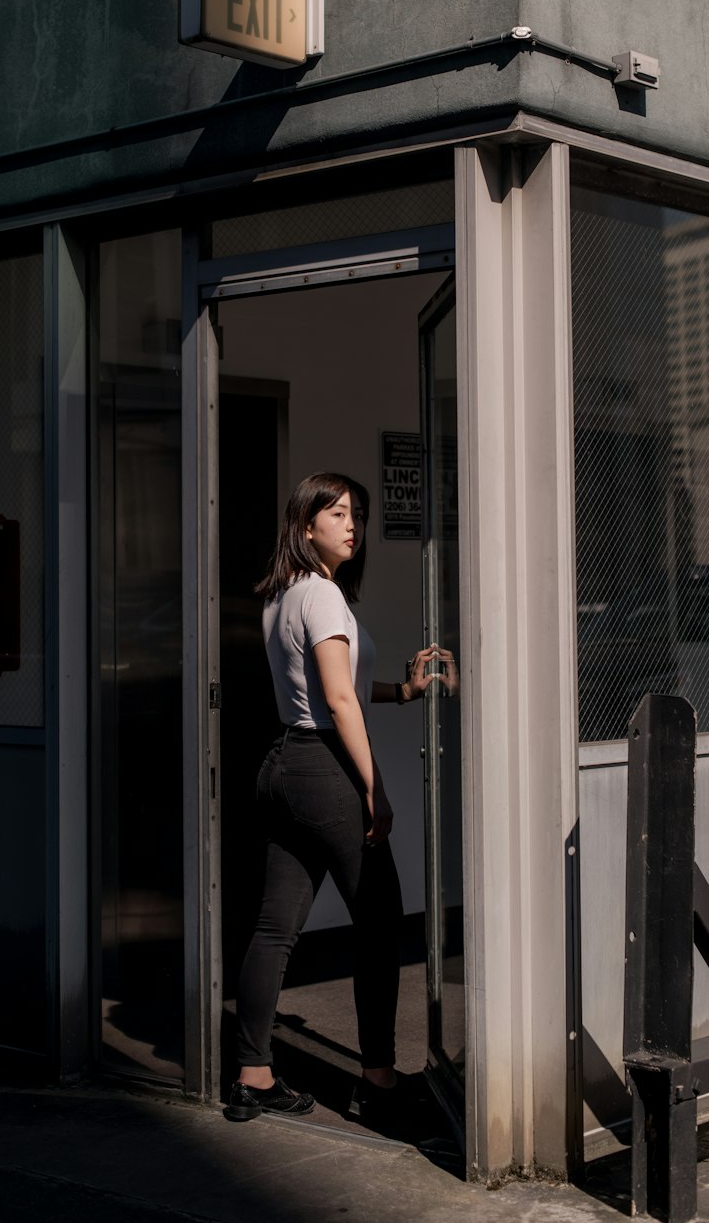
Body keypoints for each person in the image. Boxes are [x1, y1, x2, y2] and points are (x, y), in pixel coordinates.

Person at [224, 471, 455, 1126]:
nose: (353, 525)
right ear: (304, 526)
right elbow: (336, 698)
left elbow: (331, 685)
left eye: (358, 514)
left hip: (284, 763)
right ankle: (378, 1083)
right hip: (324, 769)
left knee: (274, 927)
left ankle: (253, 1072)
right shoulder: (322, 595)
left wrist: (402, 692)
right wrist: (375, 788)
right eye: (338, 513)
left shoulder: (282, 594)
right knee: (381, 925)